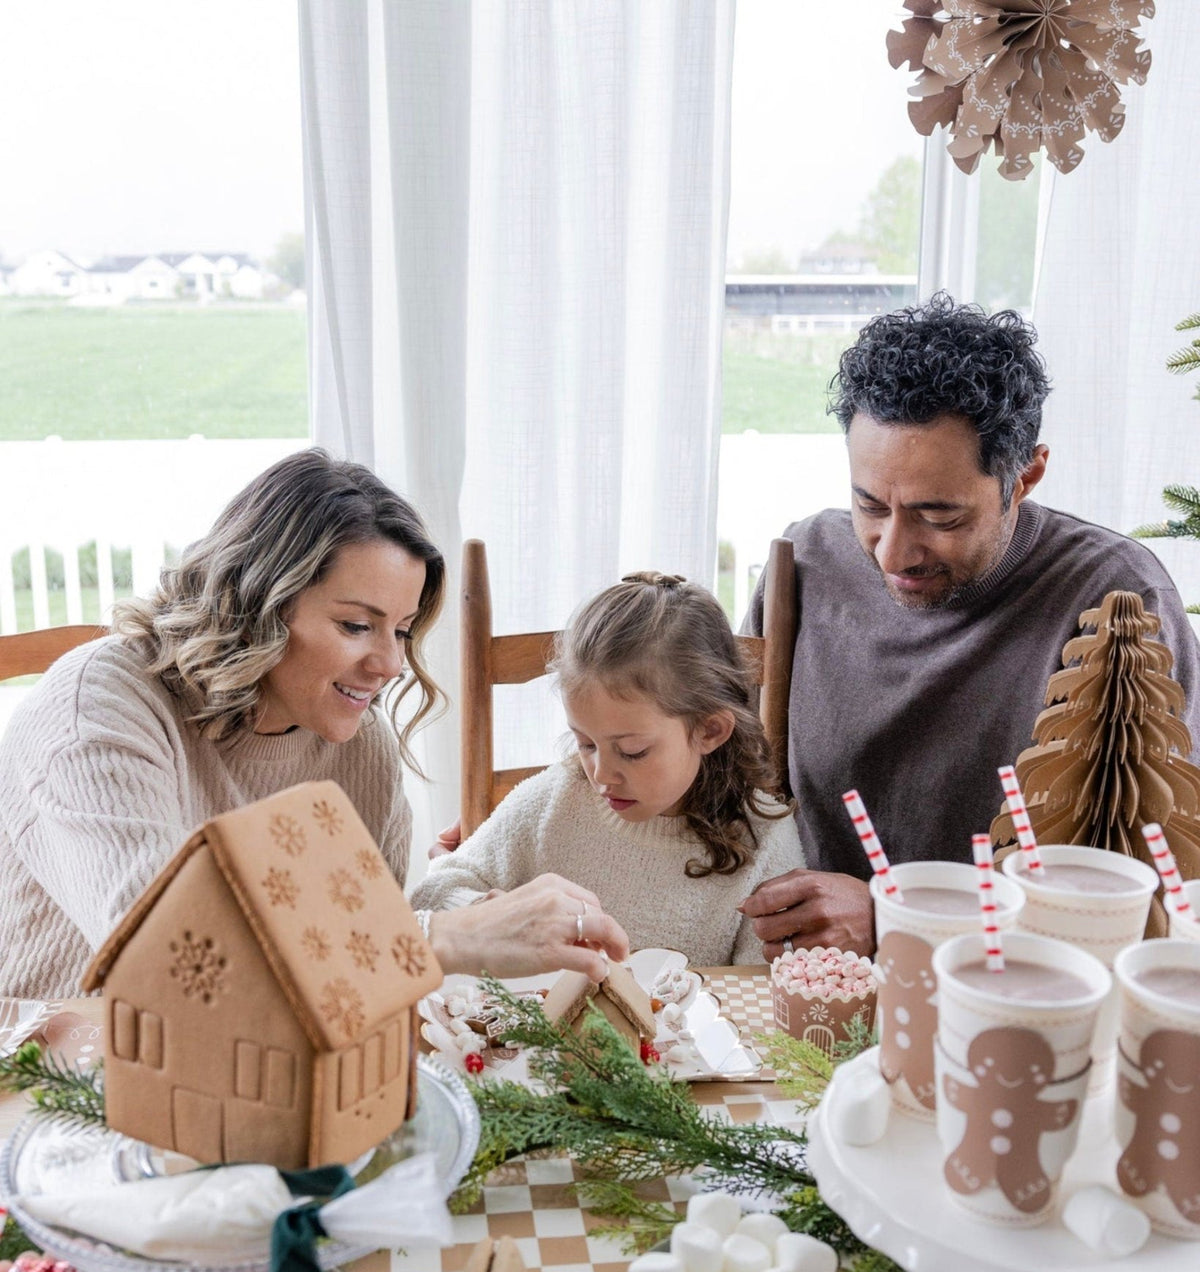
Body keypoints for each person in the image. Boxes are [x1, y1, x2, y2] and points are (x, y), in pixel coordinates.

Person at [0, 450, 627, 1002]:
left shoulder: (357, 745)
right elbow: (170, 958)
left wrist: (461, 911)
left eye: (402, 631)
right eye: (356, 625)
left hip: (257, 1059)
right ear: (257, 602)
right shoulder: (100, 705)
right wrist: (446, 937)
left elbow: (359, 964)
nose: (390, 665)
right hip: (45, 1062)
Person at [740, 294, 1200, 958]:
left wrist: (897, 920)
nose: (893, 553)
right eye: (870, 505)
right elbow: (728, 779)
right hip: (801, 981)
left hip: (1015, 991)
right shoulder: (806, 562)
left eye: (940, 517)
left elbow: (1154, 896)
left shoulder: (1118, 599)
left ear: (1025, 475)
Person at [413, 572, 804, 963]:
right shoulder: (557, 798)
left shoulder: (765, 837)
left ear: (710, 730)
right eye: (585, 743)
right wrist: (489, 913)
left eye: (632, 751)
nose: (600, 775)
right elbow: (431, 894)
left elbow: (770, 985)